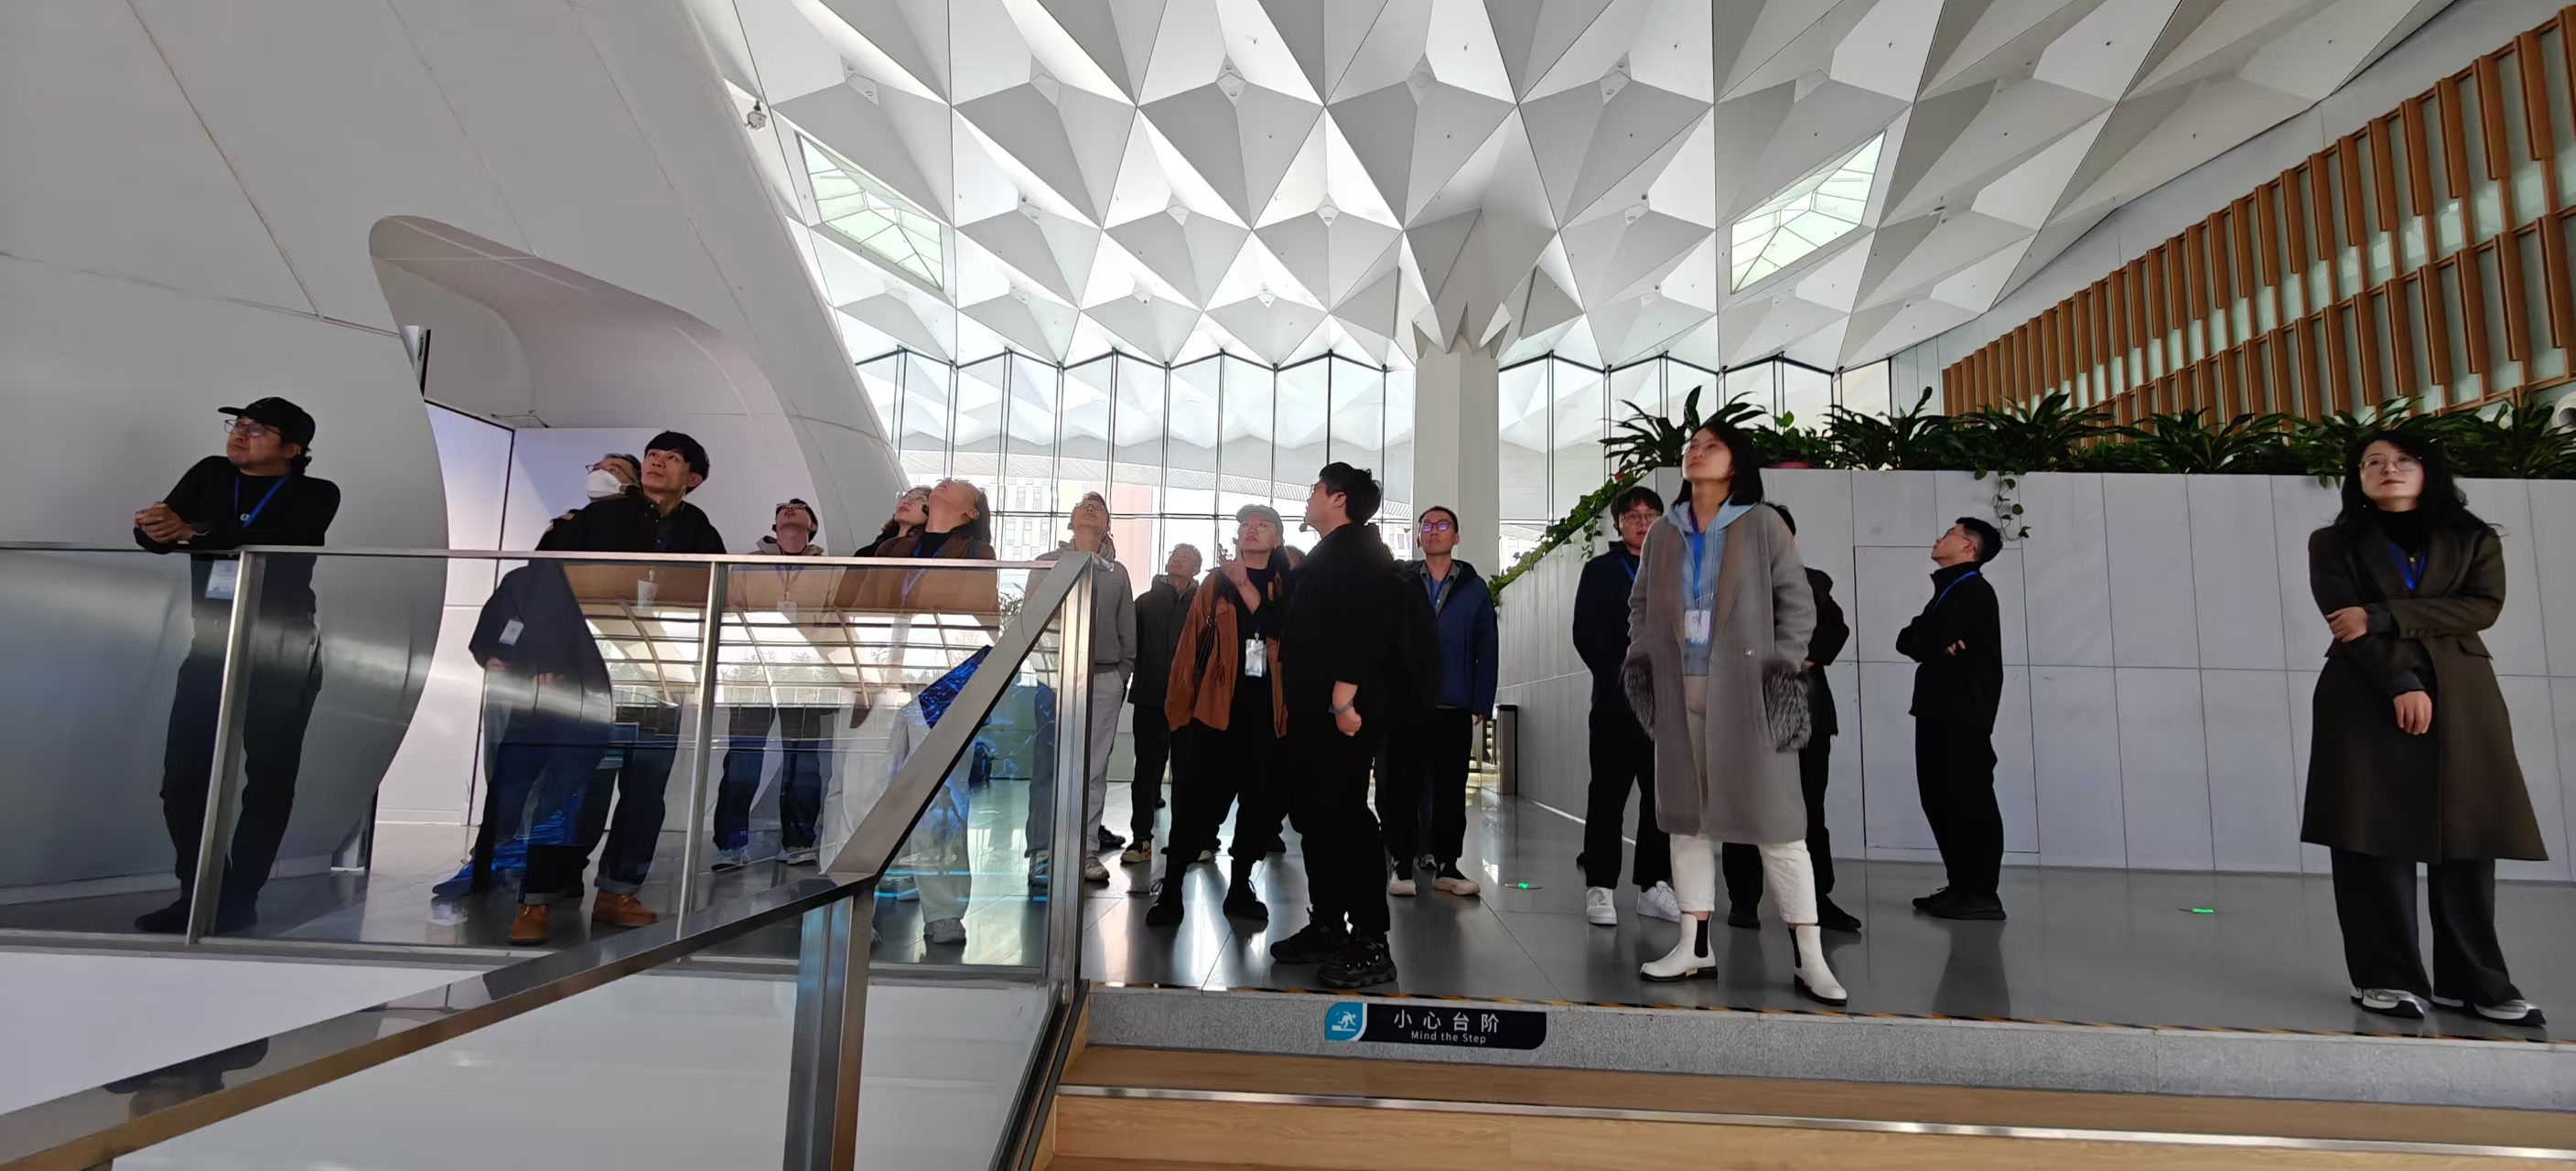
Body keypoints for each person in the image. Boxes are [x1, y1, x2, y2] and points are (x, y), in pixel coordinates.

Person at [2305, 432, 2546, 1026]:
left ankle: (2475, 983)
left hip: (2463, 696)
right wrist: (2400, 681)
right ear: (2358, 478)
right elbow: (2345, 623)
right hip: (2364, 694)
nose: (2387, 469)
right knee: (2371, 834)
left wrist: (2385, 614)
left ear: (2426, 470)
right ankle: (2385, 978)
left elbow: (2482, 607)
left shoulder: (2473, 537)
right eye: (2372, 462)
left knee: (2465, 838)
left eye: (2401, 460)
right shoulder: (2333, 542)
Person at [1622, 423, 1843, 1005]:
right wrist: (1643, 656)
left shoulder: (1762, 523)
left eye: (1711, 445)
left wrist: (1780, 665)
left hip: (1747, 692)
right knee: (1686, 821)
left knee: (1778, 825)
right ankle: (1694, 946)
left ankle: (1810, 956)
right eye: (1692, 445)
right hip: (1678, 689)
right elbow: (1640, 604)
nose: (1696, 451)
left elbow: (1797, 604)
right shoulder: (1664, 533)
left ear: (1736, 464)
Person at [130, 398, 340, 933]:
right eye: (238, 424)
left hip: (282, 647)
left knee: (267, 777)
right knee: (182, 777)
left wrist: (193, 531)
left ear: (293, 448)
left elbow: (282, 539)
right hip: (213, 643)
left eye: (258, 429)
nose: (240, 434)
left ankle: (241, 899)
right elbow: (164, 534)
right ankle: (201, 894)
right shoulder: (210, 473)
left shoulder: (316, 493)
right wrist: (154, 527)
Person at [526, 432, 727, 942]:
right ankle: (538, 896)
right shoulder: (598, 518)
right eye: (653, 455)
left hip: (659, 678)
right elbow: (543, 578)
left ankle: (618, 891)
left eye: (671, 458)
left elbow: (715, 600)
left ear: (694, 478)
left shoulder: (701, 532)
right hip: (588, 671)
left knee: (645, 789)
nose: (657, 463)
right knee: (571, 784)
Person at [1266, 464, 1401, 989]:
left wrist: (1343, 701)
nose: (1309, 497)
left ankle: (1371, 938)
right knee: (1317, 817)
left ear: (1338, 498)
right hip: (1314, 712)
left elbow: (1365, 629)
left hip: (1341, 713)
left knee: (1346, 817)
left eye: (1315, 489)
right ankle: (1327, 924)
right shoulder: (1330, 553)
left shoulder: (1359, 553)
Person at [1148, 508, 1291, 927]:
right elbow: (1189, 647)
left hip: (1268, 714)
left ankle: (1240, 885)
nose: (1251, 530)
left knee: (1258, 807)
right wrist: (1178, 711)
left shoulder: (1288, 585)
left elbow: (1288, 634)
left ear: (1277, 539)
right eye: (1245, 525)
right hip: (1215, 713)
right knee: (1196, 806)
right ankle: (1172, 889)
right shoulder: (1215, 584)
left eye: (1262, 525)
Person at [1721, 504, 1859, 933]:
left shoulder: (1813, 583)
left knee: (1808, 809)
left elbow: (1834, 632)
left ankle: (1817, 899)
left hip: (1805, 712)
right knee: (1744, 810)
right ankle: (1744, 900)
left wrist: (1796, 655)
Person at [1573, 485, 1679, 928]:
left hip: (1668, 705)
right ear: (1618, 524)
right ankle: (1600, 885)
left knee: (1661, 798)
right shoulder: (1600, 571)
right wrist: (1622, 678)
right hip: (1617, 703)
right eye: (1632, 515)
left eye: (1650, 514)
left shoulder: (1677, 568)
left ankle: (1653, 885)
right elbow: (1586, 633)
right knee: (1608, 796)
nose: (1641, 522)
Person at [712, 500, 835, 871]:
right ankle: (730, 844)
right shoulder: (748, 564)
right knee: (743, 759)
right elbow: (730, 611)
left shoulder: (829, 569)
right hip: (753, 674)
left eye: (799, 508)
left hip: (804, 676)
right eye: (784, 509)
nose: (790, 510)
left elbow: (835, 619)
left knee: (803, 761)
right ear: (774, 525)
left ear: (812, 525)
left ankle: (798, 842)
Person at [1382, 506, 1495, 899]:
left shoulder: (1474, 588)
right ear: (1418, 538)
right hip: (1406, 705)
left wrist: (1481, 700)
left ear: (1456, 537)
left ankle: (1448, 865)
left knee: (1451, 789)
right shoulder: (1400, 584)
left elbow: (1486, 647)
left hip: (1454, 703)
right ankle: (1402, 863)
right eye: (1427, 526)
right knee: (1403, 786)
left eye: (1443, 525)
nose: (1434, 531)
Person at [1897, 516, 2007, 922]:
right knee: (1940, 799)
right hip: (1938, 710)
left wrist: (1930, 640)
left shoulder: (1973, 591)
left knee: (1967, 800)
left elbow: (1922, 639)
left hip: (1961, 715)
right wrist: (1932, 640)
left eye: (1949, 534)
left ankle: (1980, 892)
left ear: (1968, 548)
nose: (1939, 537)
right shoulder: (1950, 591)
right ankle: (1962, 885)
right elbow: (1909, 640)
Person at [1036, 493, 1137, 884]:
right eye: (1083, 505)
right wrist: (1046, 671)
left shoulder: (1117, 572)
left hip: (1105, 675)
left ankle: (1086, 849)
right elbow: (1033, 621)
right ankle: (1044, 851)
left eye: (1099, 507)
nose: (1091, 508)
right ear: (1071, 520)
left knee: (1094, 769)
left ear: (1107, 525)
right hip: (1056, 679)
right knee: (1050, 766)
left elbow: (1127, 627)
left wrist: (1121, 673)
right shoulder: (1047, 564)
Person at [1123, 543, 1203, 865]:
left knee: (1188, 772)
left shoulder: (1203, 603)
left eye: (1185, 557)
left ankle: (1185, 839)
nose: (1176, 560)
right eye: (1174, 555)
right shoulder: (1145, 602)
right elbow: (1132, 646)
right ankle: (1141, 838)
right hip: (1150, 696)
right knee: (1146, 770)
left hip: (1190, 701)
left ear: (1196, 569)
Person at [856, 486, 930, 556]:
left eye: (920, 499)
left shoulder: (928, 550)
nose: (907, 501)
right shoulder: (873, 549)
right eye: (906, 496)